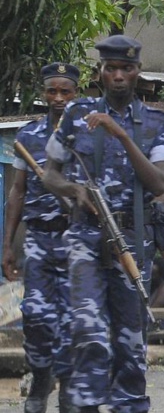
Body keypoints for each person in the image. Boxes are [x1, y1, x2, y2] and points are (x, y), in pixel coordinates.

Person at [43, 35, 164, 412]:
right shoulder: (76, 114)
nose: (118, 76)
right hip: (85, 236)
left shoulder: (155, 122)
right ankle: (85, 403)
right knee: (87, 329)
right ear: (99, 72)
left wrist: (121, 135)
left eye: (126, 69)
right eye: (110, 68)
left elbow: (159, 182)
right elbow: (49, 173)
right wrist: (73, 189)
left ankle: (129, 405)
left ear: (138, 73)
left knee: (130, 342)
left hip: (132, 238)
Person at [3, 62, 79, 412]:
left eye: (66, 91)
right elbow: (17, 192)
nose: (59, 97)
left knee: (71, 318)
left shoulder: (86, 135)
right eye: (53, 90)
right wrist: (7, 245)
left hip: (77, 241)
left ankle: (64, 389)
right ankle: (41, 375)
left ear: (76, 94)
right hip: (38, 241)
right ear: (43, 93)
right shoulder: (29, 137)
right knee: (34, 315)